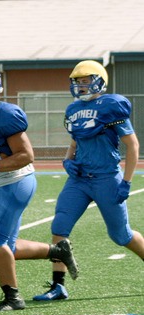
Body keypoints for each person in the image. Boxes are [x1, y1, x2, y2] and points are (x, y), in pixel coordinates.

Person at [0, 64, 79, 311]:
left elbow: (26, 155)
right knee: (6, 246)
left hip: (14, 180)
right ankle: (57, 250)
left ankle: (13, 297)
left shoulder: (5, 114)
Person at [34, 60, 144, 301]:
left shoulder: (110, 106)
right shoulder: (73, 109)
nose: (81, 86)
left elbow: (132, 144)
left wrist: (126, 181)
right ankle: (58, 286)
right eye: (78, 81)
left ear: (99, 81)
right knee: (59, 228)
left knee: (121, 236)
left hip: (107, 178)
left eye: (86, 80)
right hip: (80, 179)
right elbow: (76, 140)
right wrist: (67, 160)